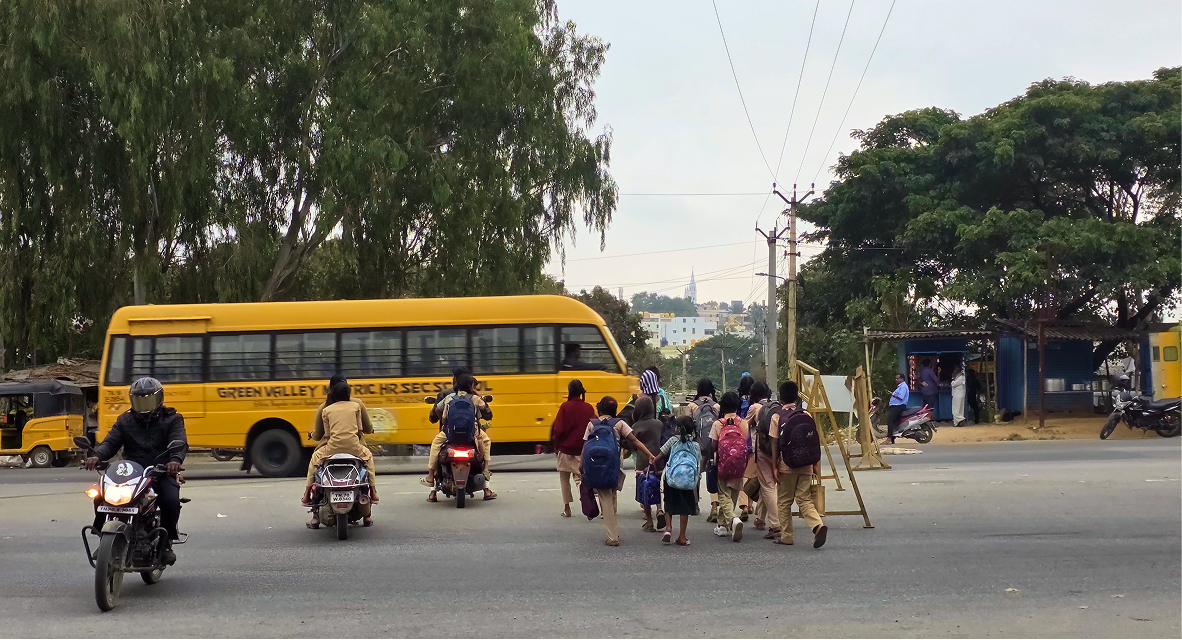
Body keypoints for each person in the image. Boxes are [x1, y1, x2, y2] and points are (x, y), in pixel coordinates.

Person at [87, 377, 186, 565]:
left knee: (170, 500)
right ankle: (104, 538)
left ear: (159, 399)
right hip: (131, 471)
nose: (144, 406)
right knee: (101, 496)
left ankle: (166, 544)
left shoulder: (172, 419)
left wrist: (174, 460)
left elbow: (179, 441)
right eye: (139, 401)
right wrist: (97, 456)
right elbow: (110, 442)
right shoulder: (125, 420)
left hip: (161, 470)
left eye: (148, 400)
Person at [302, 379, 378, 528]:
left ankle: (308, 499)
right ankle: (372, 497)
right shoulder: (357, 405)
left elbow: (326, 435)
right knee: (368, 459)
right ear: (348, 392)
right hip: (355, 448)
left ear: (331, 390)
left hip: (332, 448)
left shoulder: (325, 409)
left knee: (315, 462)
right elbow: (360, 430)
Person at [585, 396, 655, 546]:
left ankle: (612, 537)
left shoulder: (592, 424)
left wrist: (581, 467)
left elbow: (585, 447)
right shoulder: (619, 423)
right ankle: (614, 530)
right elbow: (634, 440)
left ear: (600, 409)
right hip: (615, 467)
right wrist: (649, 454)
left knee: (605, 499)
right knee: (612, 495)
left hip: (598, 466)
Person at [770, 381, 827, 549]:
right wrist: (815, 464)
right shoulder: (806, 415)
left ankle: (787, 536)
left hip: (787, 465)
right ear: (796, 397)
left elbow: (775, 444)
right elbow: (812, 441)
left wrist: (774, 466)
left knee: (784, 501)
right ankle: (817, 526)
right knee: (804, 498)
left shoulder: (777, 417)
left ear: (780, 398)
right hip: (806, 464)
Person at [423, 373, 497, 501]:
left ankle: (431, 476)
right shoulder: (474, 398)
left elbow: (438, 413)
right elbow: (488, 414)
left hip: (449, 432)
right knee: (486, 441)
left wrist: (445, 423)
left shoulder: (449, 397)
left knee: (436, 444)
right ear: (470, 385)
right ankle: (485, 470)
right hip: (472, 433)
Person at [648, 416, 701, 546]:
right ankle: (682, 536)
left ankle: (668, 528)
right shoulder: (695, 445)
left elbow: (660, 455)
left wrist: (652, 463)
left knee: (669, 502)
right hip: (688, 480)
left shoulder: (673, 441)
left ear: (677, 428)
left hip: (671, 478)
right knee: (685, 507)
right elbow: (698, 462)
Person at [551, 379, 596, 518]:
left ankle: (567, 509)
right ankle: (587, 505)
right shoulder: (588, 408)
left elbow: (558, 429)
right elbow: (594, 428)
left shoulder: (565, 407)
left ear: (570, 391)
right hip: (582, 449)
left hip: (565, 449)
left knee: (564, 479)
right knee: (580, 479)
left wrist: (556, 445)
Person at [709, 391, 749, 542]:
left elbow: (713, 445)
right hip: (739, 464)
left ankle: (733, 519)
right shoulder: (743, 423)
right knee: (732, 494)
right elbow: (746, 443)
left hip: (723, 464)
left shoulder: (718, 424)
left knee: (723, 494)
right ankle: (722, 526)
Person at [744, 381, 780, 539]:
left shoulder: (755, 407)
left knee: (768, 486)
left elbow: (744, 426)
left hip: (762, 450)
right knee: (766, 484)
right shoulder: (777, 406)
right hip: (779, 450)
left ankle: (776, 524)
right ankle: (760, 518)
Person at [628, 395, 666, 533]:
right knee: (656, 486)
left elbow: (632, 446)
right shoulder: (659, 424)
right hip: (658, 462)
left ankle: (649, 522)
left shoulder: (636, 426)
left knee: (644, 490)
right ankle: (659, 509)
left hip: (642, 463)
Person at [687, 378, 720, 522]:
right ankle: (715, 506)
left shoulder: (692, 406)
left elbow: (687, 426)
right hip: (714, 445)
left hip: (697, 446)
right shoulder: (717, 406)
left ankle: (694, 505)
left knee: (696, 474)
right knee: (714, 475)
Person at [886, 373, 909, 445]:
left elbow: (901, 397)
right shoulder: (900, 387)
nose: (896, 380)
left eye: (897, 378)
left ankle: (889, 439)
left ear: (902, 379)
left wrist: (892, 394)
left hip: (899, 406)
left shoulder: (903, 387)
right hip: (896, 406)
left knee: (890, 421)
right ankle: (892, 439)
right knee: (895, 422)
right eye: (896, 378)